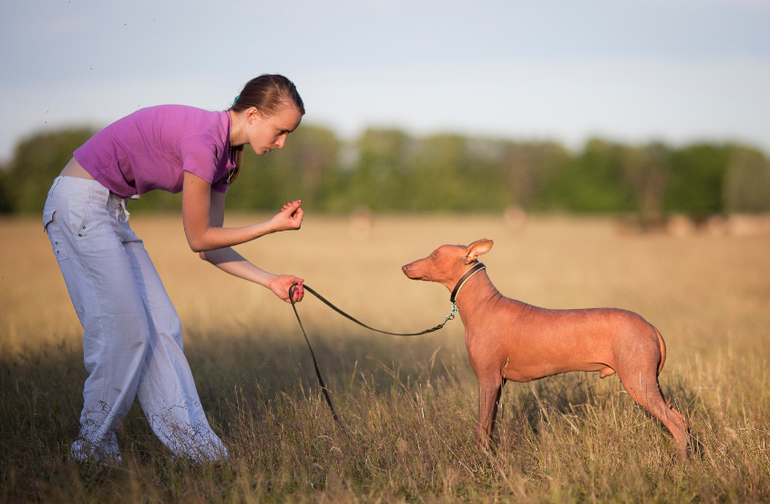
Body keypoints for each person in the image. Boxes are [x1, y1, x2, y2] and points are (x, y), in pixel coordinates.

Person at [42, 74, 306, 464]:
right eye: (281, 131)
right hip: (79, 204)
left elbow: (211, 248)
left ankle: (200, 451)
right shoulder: (204, 142)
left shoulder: (227, 159)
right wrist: (270, 225)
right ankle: (92, 450)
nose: (282, 142)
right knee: (124, 330)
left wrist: (270, 281)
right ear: (253, 115)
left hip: (109, 209)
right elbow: (198, 238)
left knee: (164, 326)